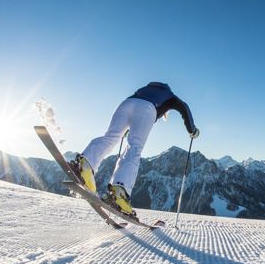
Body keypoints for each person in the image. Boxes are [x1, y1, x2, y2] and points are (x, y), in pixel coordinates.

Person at [70, 82, 199, 216]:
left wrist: (128, 127)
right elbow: (185, 108)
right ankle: (119, 193)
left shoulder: (142, 90)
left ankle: (85, 164)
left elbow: (135, 108)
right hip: (147, 109)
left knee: (111, 136)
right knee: (134, 147)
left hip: (126, 103)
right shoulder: (170, 96)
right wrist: (192, 130)